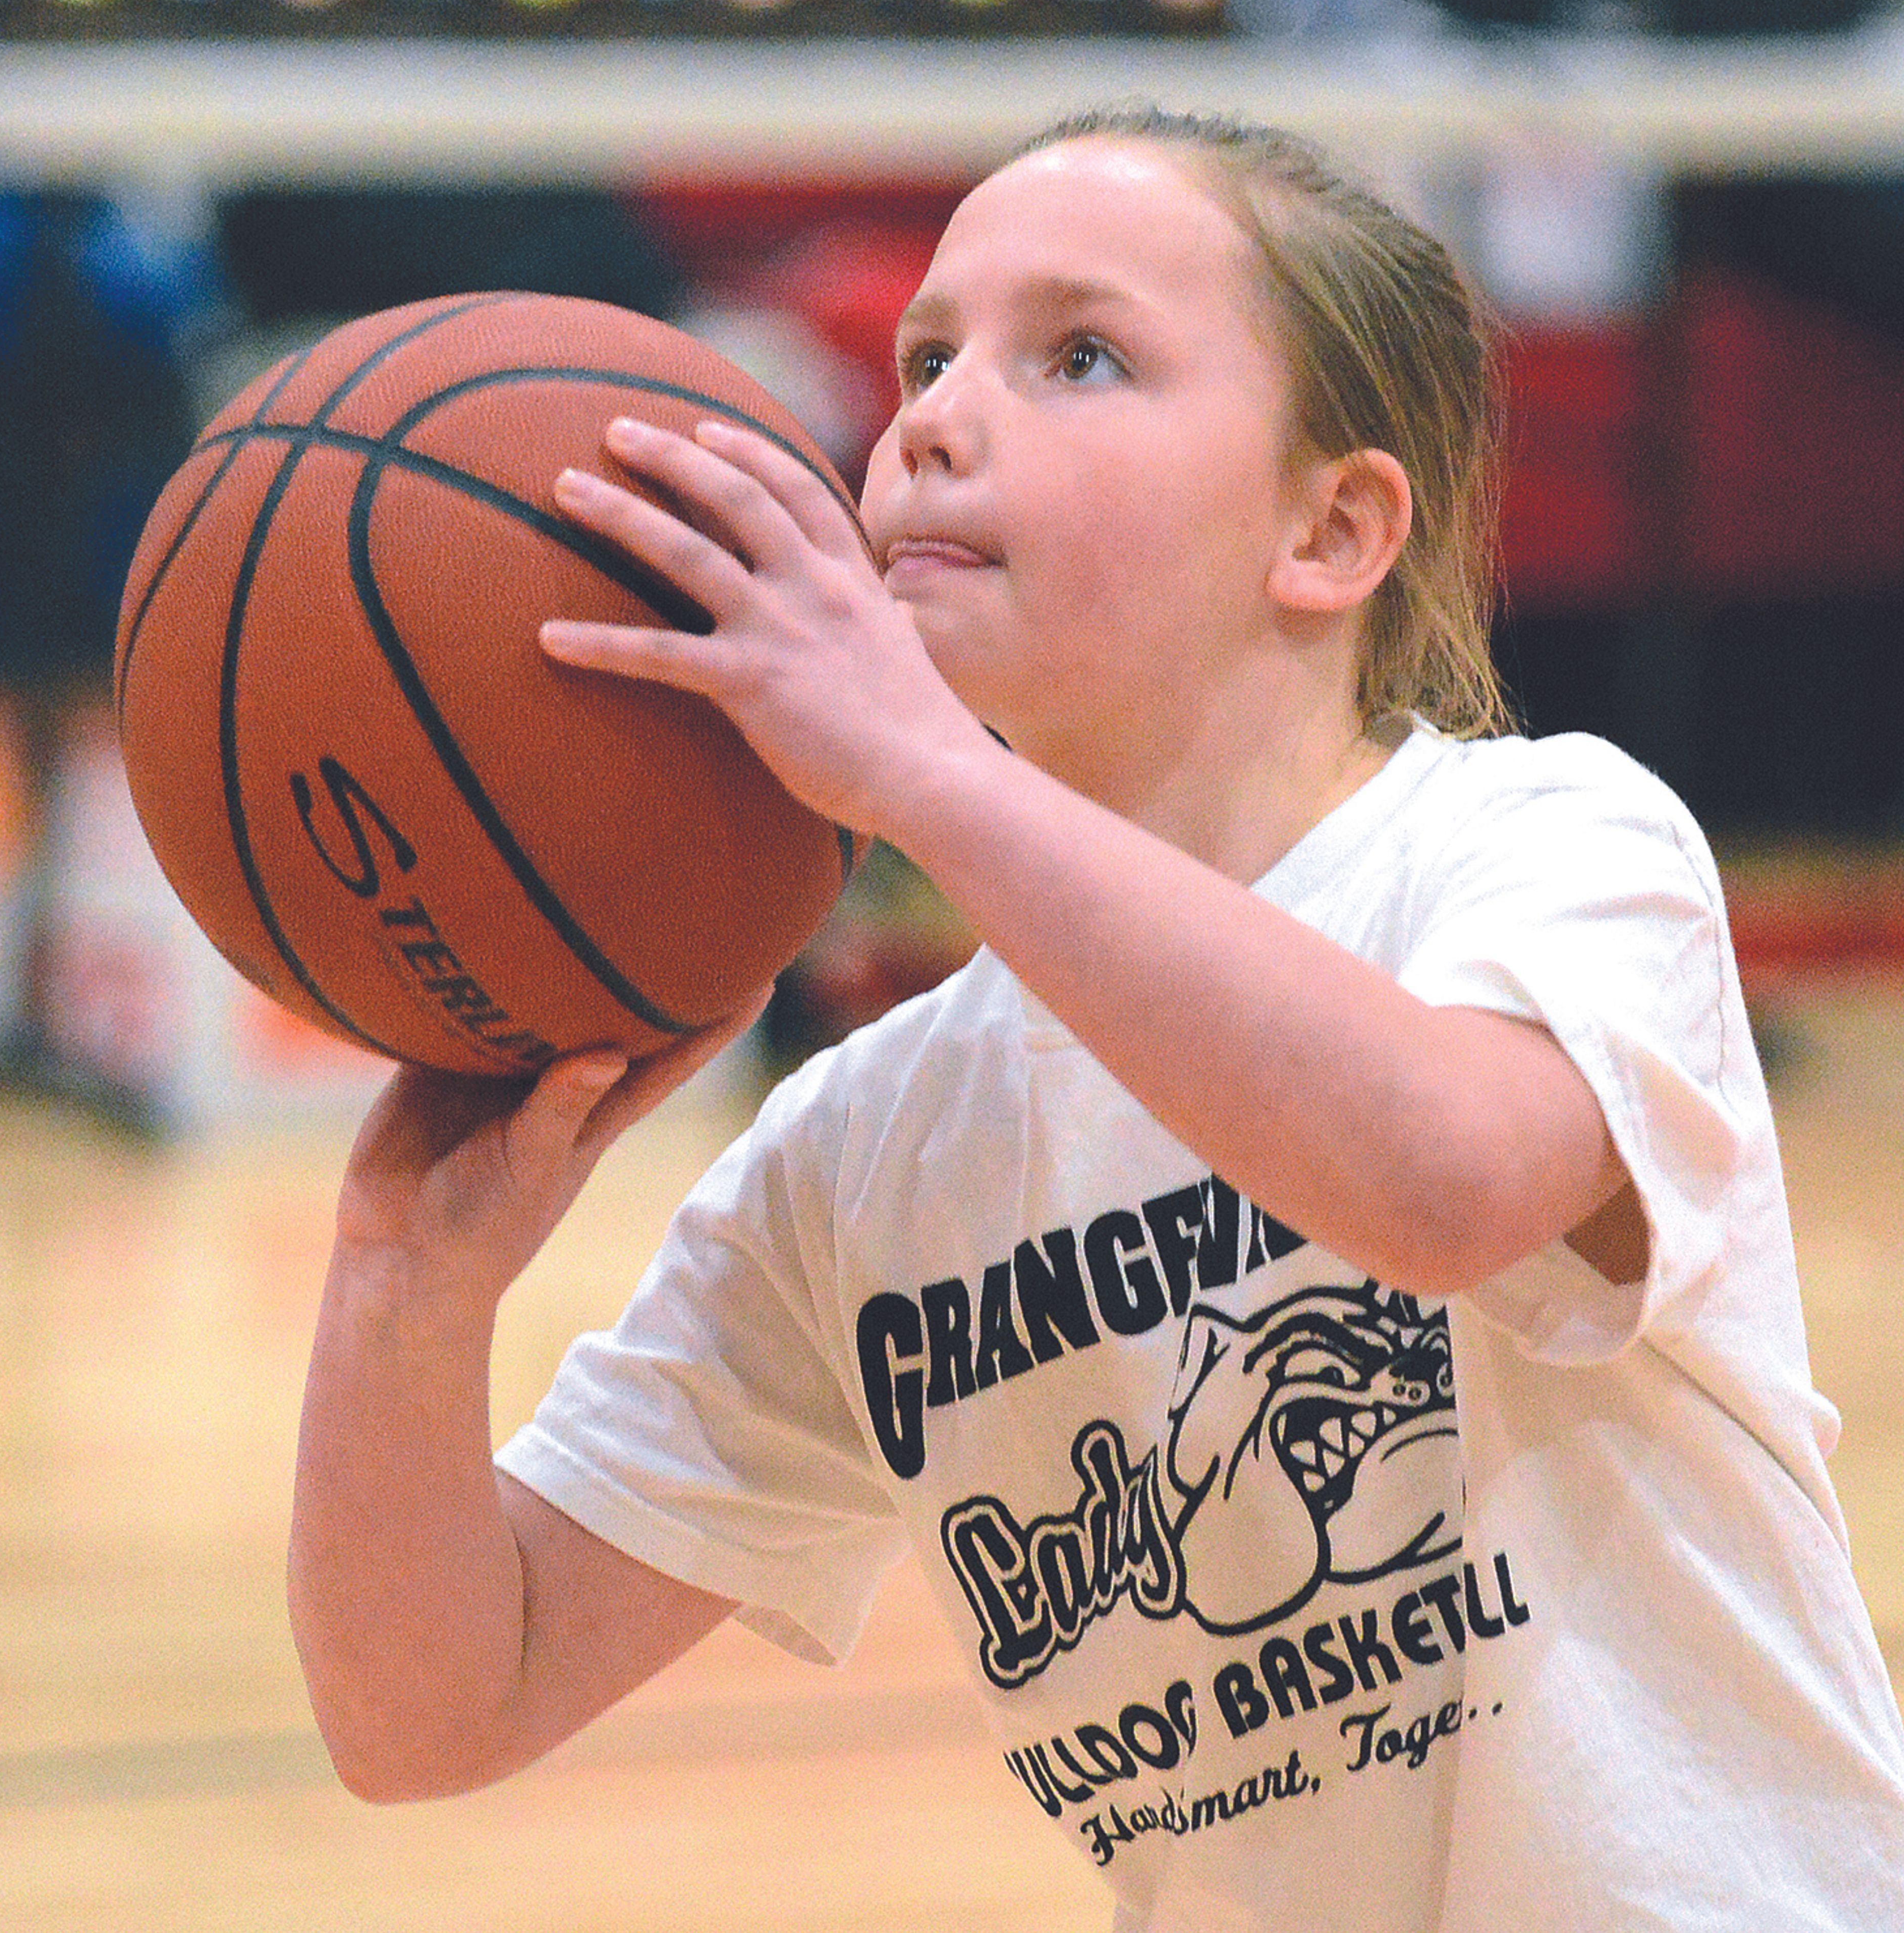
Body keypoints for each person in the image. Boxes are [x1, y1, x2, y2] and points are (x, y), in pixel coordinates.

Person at [289, 108, 1904, 1930]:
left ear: (1332, 525)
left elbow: (1446, 1179)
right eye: (923, 354)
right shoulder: (865, 1146)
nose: (931, 418)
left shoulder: (1546, 850)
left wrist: (914, 775)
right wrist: (402, 1292)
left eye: (1079, 356)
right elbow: (432, 1706)